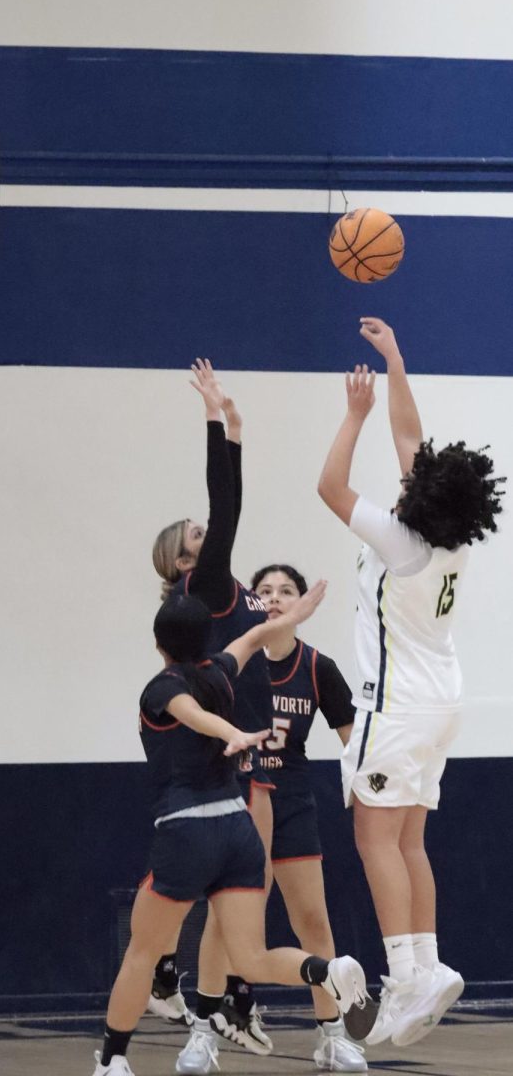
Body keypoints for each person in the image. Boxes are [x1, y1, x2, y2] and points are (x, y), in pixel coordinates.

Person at [91, 589, 377, 1076]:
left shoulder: (161, 688)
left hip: (187, 832)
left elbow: (189, 713)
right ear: (206, 641)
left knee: (142, 951)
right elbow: (251, 637)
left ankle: (113, 1060)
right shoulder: (222, 672)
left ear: (159, 643)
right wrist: (297, 615)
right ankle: (326, 971)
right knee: (252, 956)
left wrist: (228, 733)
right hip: (239, 831)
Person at [317, 316, 504, 1048]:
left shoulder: (399, 540)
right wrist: (395, 360)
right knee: (410, 842)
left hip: (395, 709)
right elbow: (415, 442)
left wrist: (354, 412)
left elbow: (329, 486)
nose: (409, 471)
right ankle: (426, 961)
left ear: (420, 498)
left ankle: (404, 975)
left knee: (373, 839)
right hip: (442, 705)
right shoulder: (451, 538)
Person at [150, 361, 276, 1067]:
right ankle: (212, 993)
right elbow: (225, 503)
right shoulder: (210, 581)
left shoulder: (210, 591)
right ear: (185, 558)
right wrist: (224, 423)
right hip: (232, 745)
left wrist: (231, 424)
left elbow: (222, 509)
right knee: (234, 878)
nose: (208, 531)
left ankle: (212, 991)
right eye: (196, 533)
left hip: (239, 739)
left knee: (228, 880)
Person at [251, 563, 364, 1072]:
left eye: (285, 590)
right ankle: (208, 1027)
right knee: (231, 931)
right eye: (264, 591)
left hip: (293, 805)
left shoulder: (317, 667)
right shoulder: (233, 662)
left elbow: (354, 741)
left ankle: (333, 1033)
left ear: (301, 602)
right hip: (239, 807)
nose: (274, 598)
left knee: (312, 922)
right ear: (252, 603)